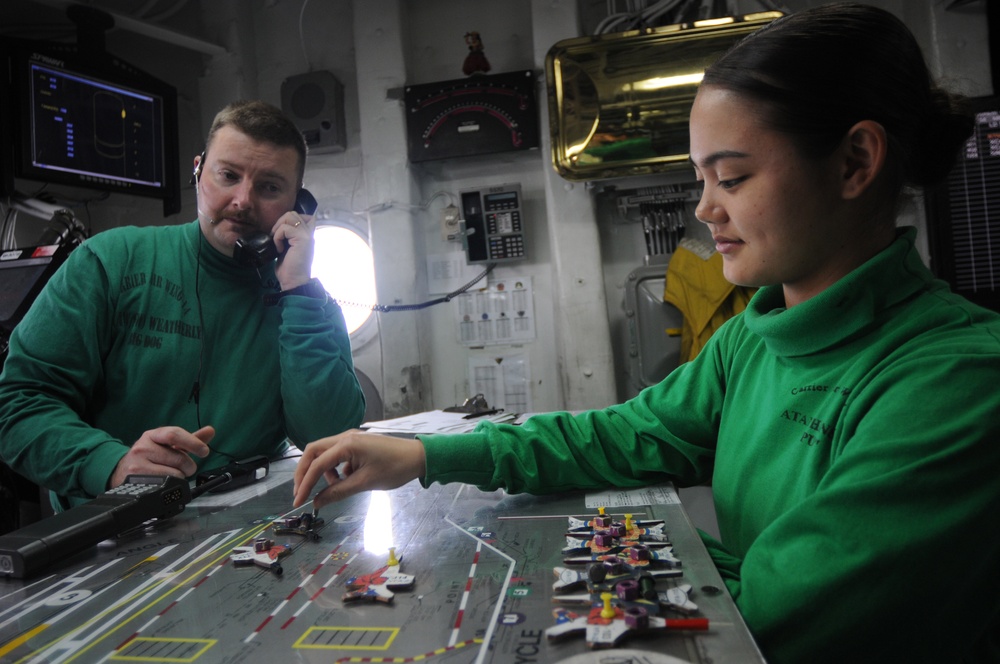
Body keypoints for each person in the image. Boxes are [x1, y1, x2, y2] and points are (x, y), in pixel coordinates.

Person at [293, 5, 1000, 662]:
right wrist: (424, 453)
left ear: (855, 163)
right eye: (701, 179)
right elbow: (619, 437)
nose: (705, 210)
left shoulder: (958, 382)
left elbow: (765, 612)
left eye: (732, 177)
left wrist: (617, 553)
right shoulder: (752, 340)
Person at [0, 100, 366, 512]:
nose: (243, 200)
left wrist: (297, 290)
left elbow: (331, 436)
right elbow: (18, 403)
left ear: (297, 205)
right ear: (198, 171)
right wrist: (112, 464)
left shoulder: (305, 300)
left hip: (250, 517)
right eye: (228, 175)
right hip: (114, 517)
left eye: (269, 187)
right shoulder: (110, 262)